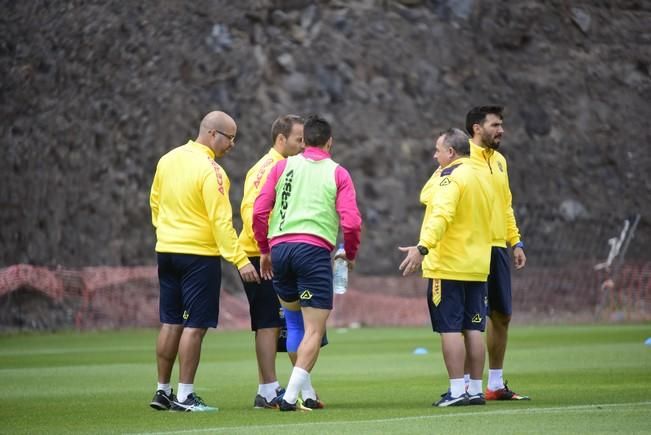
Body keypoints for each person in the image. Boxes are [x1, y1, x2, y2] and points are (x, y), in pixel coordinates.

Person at [149, 111, 260, 412]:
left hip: (167, 250)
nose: (232, 145)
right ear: (213, 134)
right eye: (230, 138)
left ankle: (162, 391)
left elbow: (155, 203)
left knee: (170, 321)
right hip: (198, 255)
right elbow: (221, 221)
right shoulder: (213, 171)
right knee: (194, 326)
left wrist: (168, 232)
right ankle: (185, 396)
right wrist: (240, 260)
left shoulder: (167, 159)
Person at [252, 115, 362, 411]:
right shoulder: (337, 172)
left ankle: (307, 393)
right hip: (312, 251)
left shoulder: (282, 166)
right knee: (314, 329)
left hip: (280, 250)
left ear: (304, 141)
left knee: (293, 321)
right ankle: (289, 397)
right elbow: (351, 224)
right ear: (329, 142)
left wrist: (264, 249)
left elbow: (259, 211)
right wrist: (349, 255)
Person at [399, 128, 494, 407]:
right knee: (474, 328)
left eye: (438, 150)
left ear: (450, 152)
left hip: (448, 264)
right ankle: (475, 389)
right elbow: (425, 195)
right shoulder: (481, 175)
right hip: (477, 265)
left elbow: (439, 212)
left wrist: (422, 247)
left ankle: (456, 391)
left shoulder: (449, 177)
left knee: (450, 328)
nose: (434, 155)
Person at [237, 114, 305, 409]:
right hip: (259, 253)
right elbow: (254, 213)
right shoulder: (272, 167)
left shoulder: (273, 165)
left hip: (264, 251)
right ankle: (267, 390)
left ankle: (270, 387)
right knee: (267, 323)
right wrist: (265, 251)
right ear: (281, 139)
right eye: (298, 139)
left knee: (272, 323)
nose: (303, 145)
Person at [465, 105, 529, 400]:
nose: (501, 130)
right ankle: (465, 385)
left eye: (501, 124)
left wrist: (515, 241)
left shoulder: (500, 161)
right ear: (478, 128)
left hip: (497, 247)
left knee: (502, 315)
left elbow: (505, 205)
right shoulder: (462, 159)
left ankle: (495, 383)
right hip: (470, 248)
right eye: (495, 125)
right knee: (471, 318)